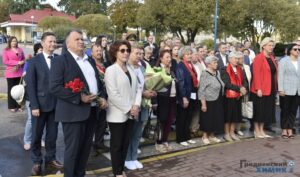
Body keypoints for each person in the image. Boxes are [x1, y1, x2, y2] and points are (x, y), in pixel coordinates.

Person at [49, 29, 107, 177]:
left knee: (85, 149)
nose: (81, 41)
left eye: (82, 39)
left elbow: (97, 84)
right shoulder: (60, 60)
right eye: (77, 39)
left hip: (92, 111)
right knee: (73, 151)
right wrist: (78, 97)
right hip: (73, 113)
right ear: (68, 43)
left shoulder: (89, 61)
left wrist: (102, 97)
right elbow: (54, 87)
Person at [26, 32, 62, 175]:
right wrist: (34, 105)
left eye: (54, 41)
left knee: (52, 136)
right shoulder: (34, 61)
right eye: (50, 41)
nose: (53, 44)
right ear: (42, 43)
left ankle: (50, 159)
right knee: (36, 136)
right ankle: (36, 161)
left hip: (56, 105)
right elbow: (30, 85)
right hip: (39, 106)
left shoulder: (60, 59)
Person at [104, 40, 142, 177]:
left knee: (125, 143)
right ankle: (117, 172)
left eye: (127, 50)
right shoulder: (110, 70)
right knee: (117, 145)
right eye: (122, 50)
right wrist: (129, 108)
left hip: (132, 112)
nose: (126, 53)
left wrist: (136, 105)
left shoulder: (131, 68)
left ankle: (121, 169)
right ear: (115, 53)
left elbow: (138, 88)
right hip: (117, 115)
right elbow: (113, 94)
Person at [125, 44, 156, 170]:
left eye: (141, 54)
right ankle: (127, 158)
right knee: (129, 133)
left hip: (143, 105)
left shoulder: (142, 67)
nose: (139, 56)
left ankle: (133, 157)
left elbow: (145, 84)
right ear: (129, 53)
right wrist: (143, 93)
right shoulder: (125, 67)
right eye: (137, 53)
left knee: (137, 133)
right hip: (130, 106)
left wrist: (151, 91)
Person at [250, 37, 277, 138]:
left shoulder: (271, 58)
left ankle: (261, 130)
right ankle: (257, 131)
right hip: (260, 89)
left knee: (265, 111)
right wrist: (258, 88)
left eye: (272, 46)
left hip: (270, 88)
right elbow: (256, 74)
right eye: (269, 45)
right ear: (263, 46)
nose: (271, 47)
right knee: (259, 111)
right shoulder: (259, 58)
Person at [221, 51, 248, 142]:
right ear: (230, 59)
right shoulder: (224, 69)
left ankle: (232, 133)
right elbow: (227, 83)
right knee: (228, 116)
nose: (237, 60)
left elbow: (245, 80)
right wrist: (239, 89)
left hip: (238, 96)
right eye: (235, 58)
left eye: (238, 58)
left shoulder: (240, 69)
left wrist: (243, 88)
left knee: (235, 116)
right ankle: (227, 134)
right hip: (228, 97)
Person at [199, 56, 225, 145]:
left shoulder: (217, 72)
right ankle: (205, 136)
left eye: (216, 62)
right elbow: (201, 89)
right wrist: (203, 104)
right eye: (214, 63)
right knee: (208, 119)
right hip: (208, 99)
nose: (216, 64)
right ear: (209, 64)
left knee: (216, 118)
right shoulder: (204, 73)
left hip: (218, 98)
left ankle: (212, 135)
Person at [155, 49, 177, 152]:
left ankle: (165, 141)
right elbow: (154, 86)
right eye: (167, 57)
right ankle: (158, 142)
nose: (169, 59)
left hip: (172, 98)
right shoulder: (158, 70)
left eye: (170, 57)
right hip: (162, 99)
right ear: (161, 59)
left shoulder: (171, 70)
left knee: (169, 120)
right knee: (162, 121)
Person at [23, 43, 43, 151]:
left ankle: (40, 139)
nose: (41, 51)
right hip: (30, 96)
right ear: (36, 51)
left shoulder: (47, 61)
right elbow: (26, 79)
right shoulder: (31, 62)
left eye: (42, 50)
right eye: (40, 50)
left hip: (42, 97)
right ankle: (27, 140)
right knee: (31, 120)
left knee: (42, 120)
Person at [176, 46, 198, 146]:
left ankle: (187, 136)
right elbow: (181, 83)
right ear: (182, 55)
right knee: (182, 118)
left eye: (190, 54)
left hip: (192, 94)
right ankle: (181, 138)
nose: (189, 56)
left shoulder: (190, 65)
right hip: (184, 96)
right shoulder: (180, 66)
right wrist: (184, 97)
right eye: (187, 54)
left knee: (189, 117)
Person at [278, 43, 300, 139]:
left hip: (297, 90)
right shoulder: (284, 61)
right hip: (286, 90)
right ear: (290, 50)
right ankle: (284, 129)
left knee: (293, 111)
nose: (297, 51)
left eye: (299, 49)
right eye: (295, 49)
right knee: (285, 110)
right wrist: (281, 89)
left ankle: (290, 129)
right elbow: (280, 76)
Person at [90, 44, 109, 152]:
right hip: (94, 96)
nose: (98, 52)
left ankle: (99, 142)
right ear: (91, 52)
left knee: (102, 121)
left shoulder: (104, 64)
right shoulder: (89, 63)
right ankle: (91, 145)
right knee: (94, 122)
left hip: (105, 95)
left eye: (100, 50)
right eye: (96, 50)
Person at [2, 36, 25, 112]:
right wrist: (17, 62)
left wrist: (23, 63)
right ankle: (11, 106)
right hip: (11, 73)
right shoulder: (6, 50)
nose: (14, 42)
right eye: (12, 41)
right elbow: (5, 61)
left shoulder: (20, 49)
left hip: (20, 73)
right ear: (9, 42)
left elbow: (23, 59)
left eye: (15, 41)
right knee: (11, 90)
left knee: (19, 90)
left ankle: (19, 105)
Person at [236, 51, 252, 136]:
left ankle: (239, 128)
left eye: (242, 58)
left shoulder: (246, 67)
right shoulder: (234, 67)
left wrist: (245, 89)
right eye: (239, 58)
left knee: (243, 110)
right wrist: (240, 90)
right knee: (237, 111)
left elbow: (248, 79)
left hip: (246, 91)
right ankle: (236, 128)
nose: (241, 60)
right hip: (237, 92)